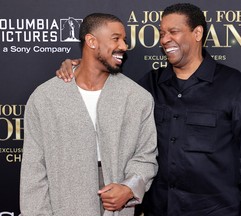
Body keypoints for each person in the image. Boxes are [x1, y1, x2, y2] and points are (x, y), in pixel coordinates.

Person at [56, 3, 241, 216]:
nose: (164, 39)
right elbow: (102, 86)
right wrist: (78, 66)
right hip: (157, 210)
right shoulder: (148, 86)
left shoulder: (235, 86)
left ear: (197, 33)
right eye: (162, 33)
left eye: (173, 32)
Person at [20, 13, 158, 216]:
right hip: (63, 203)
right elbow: (34, 170)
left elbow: (146, 156)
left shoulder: (137, 97)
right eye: (116, 38)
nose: (124, 46)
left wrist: (129, 187)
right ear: (91, 41)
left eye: (124, 40)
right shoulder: (45, 98)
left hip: (117, 206)